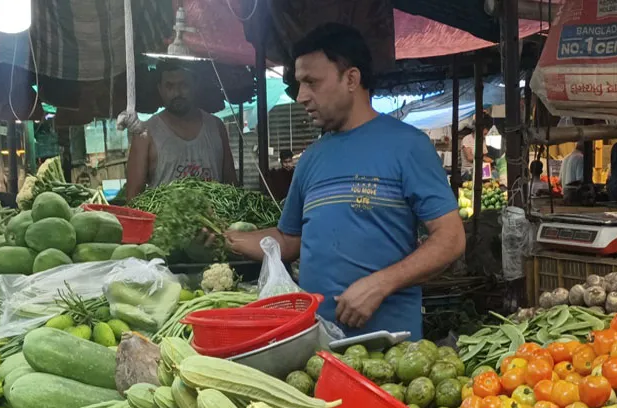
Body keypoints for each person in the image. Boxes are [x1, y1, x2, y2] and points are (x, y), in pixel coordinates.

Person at [226, 23, 465, 339]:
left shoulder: (408, 146)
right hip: (316, 346)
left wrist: (380, 283)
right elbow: (289, 241)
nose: (301, 97)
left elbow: (450, 239)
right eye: (299, 84)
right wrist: (229, 239)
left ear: (351, 79)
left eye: (311, 82)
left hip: (392, 350)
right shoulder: (311, 158)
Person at [125, 62, 237, 199]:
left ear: (195, 85)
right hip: (165, 219)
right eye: (169, 86)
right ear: (160, 89)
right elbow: (133, 196)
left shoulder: (216, 127)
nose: (177, 93)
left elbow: (232, 187)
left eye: (184, 85)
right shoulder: (145, 134)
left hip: (215, 219)